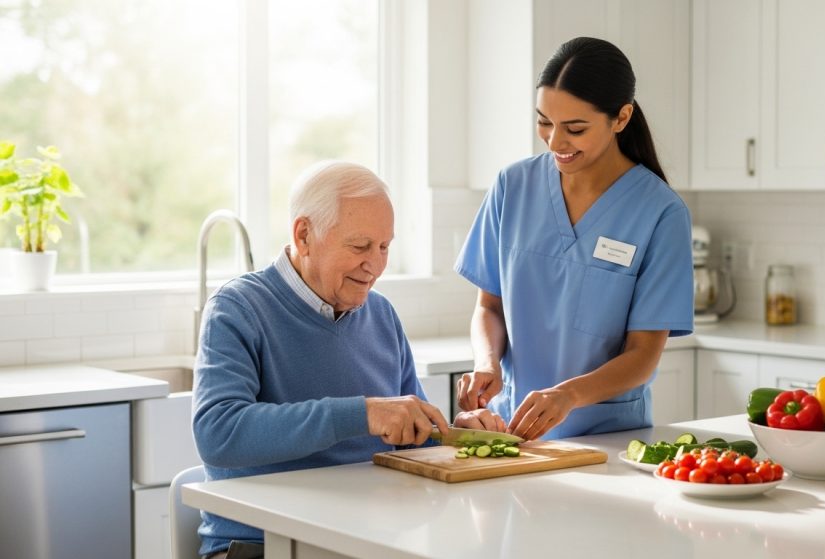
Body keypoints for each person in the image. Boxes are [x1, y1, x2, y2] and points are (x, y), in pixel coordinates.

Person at [192, 161, 502, 559]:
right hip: (263, 545)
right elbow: (218, 435)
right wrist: (364, 414)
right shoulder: (238, 309)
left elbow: (410, 433)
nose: (374, 265)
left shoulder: (382, 314)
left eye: (385, 246)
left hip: (364, 540)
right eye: (359, 246)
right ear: (304, 235)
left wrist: (454, 433)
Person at [454, 36, 694, 441]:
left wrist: (568, 395)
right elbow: (489, 307)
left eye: (575, 128)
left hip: (607, 440)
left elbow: (643, 355)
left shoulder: (661, 213)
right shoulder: (512, 186)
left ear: (621, 118)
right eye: (544, 121)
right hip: (513, 432)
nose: (554, 142)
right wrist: (487, 364)